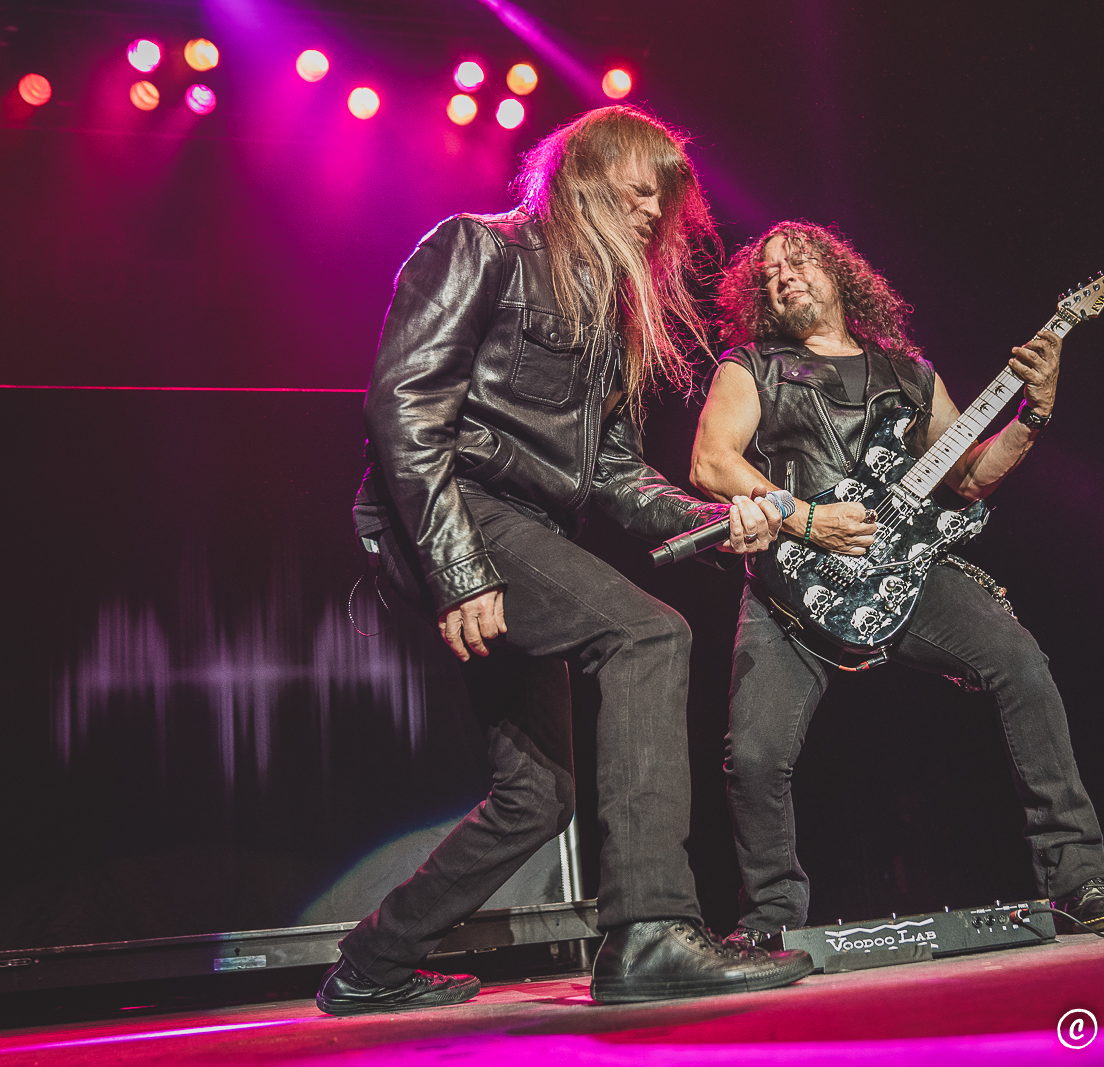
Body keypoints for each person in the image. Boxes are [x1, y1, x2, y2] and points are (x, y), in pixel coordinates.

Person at [317, 107, 813, 1014]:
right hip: (455, 510)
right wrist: (458, 569)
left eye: (662, 201)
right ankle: (650, 929)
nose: (651, 211)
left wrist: (714, 517)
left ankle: (374, 961)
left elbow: (615, 475)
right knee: (648, 636)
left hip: (528, 534)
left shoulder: (613, 316)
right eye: (636, 189)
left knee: (536, 794)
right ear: (582, 174)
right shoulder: (480, 248)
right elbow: (406, 409)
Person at [690, 221, 1104, 947]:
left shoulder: (910, 373)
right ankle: (770, 922)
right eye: (769, 271)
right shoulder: (752, 366)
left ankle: (1078, 878)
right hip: (793, 585)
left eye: (799, 259)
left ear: (840, 272)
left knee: (1023, 665)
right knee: (754, 756)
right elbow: (712, 462)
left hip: (907, 571)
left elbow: (968, 478)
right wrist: (809, 520)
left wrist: (1037, 412)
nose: (783, 274)